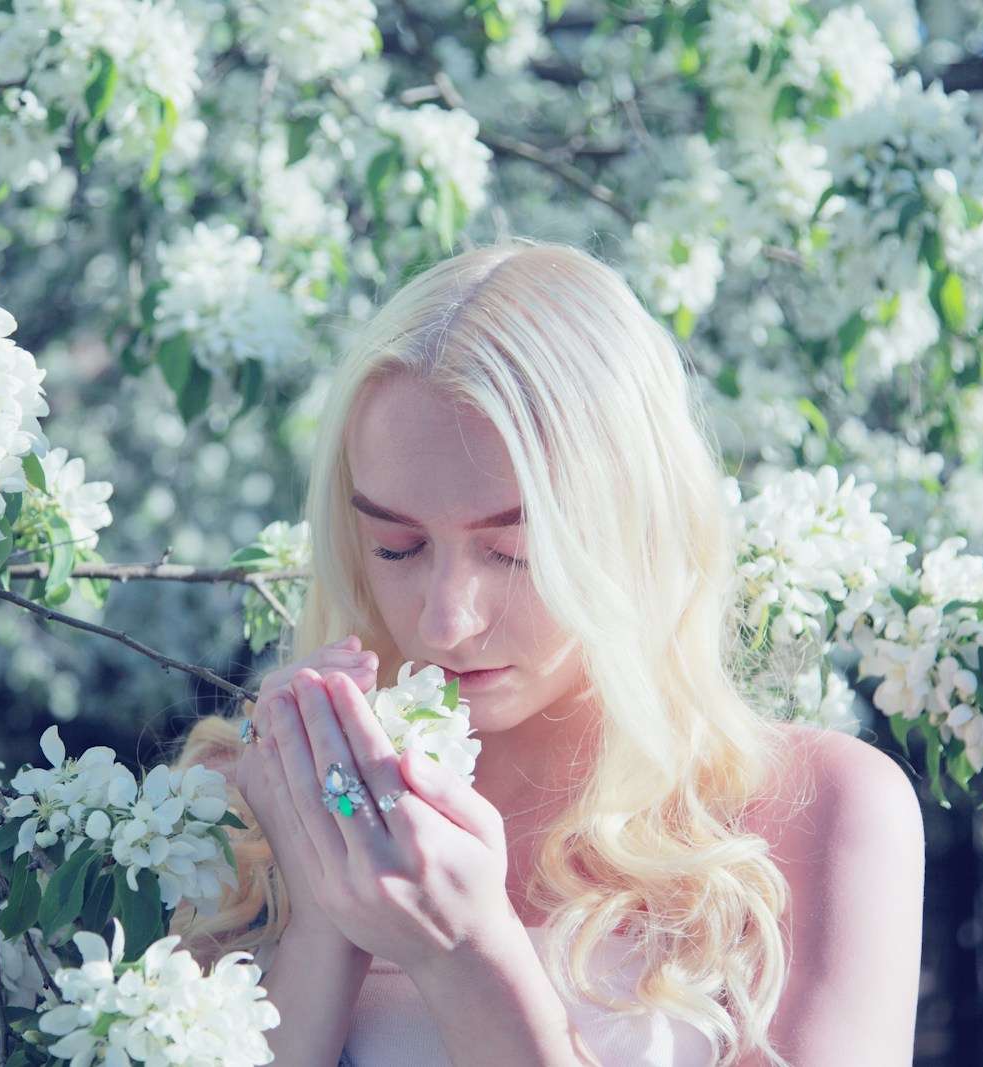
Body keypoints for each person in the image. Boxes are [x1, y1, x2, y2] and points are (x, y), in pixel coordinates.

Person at [169, 238, 925, 1066]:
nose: (447, 621)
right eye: (396, 545)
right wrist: (324, 922)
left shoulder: (815, 814)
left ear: (639, 523)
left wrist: (468, 954)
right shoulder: (243, 809)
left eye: (517, 551)